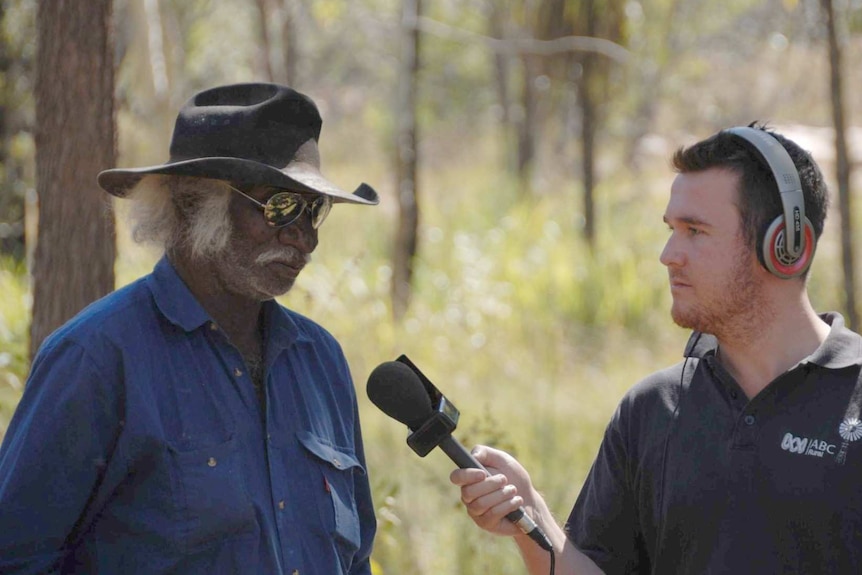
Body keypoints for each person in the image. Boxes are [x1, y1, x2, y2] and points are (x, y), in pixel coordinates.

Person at [0, 83, 378, 574]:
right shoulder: (96, 357)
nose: (304, 236)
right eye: (280, 206)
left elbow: (356, 559)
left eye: (314, 209)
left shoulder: (320, 359)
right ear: (193, 204)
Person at [450, 124, 862, 574]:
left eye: (695, 231)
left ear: (785, 247)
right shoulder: (652, 409)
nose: (668, 254)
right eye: (671, 229)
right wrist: (531, 517)